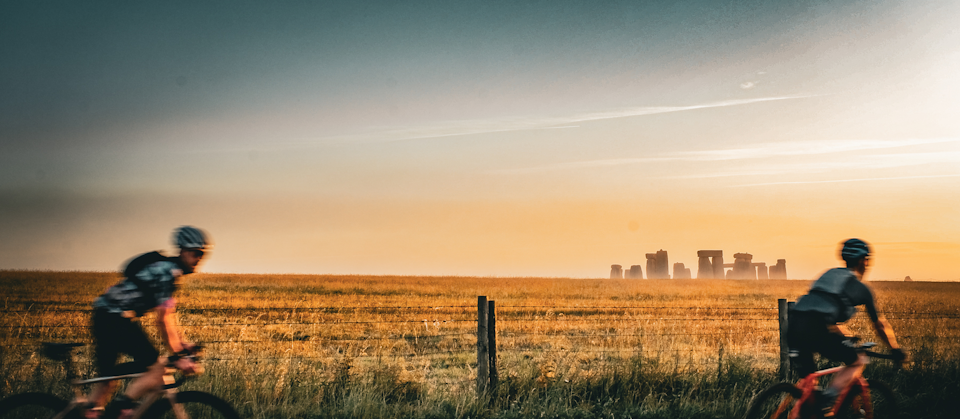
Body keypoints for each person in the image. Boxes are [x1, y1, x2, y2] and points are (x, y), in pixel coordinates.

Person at [86, 226, 212, 419]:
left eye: (202, 255)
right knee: (156, 366)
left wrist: (182, 344)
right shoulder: (166, 273)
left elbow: (169, 315)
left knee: (107, 380)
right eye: (196, 253)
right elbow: (162, 319)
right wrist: (178, 355)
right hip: (113, 318)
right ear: (183, 251)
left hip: (107, 317)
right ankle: (121, 409)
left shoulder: (169, 270)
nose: (198, 259)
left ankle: (93, 412)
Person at [788, 238, 906, 416]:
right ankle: (829, 398)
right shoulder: (861, 288)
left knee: (809, 392)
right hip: (817, 328)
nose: (867, 264)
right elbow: (879, 324)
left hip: (794, 326)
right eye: (867, 260)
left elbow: (820, 311)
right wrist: (894, 348)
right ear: (862, 261)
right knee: (857, 360)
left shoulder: (828, 275)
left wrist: (845, 336)